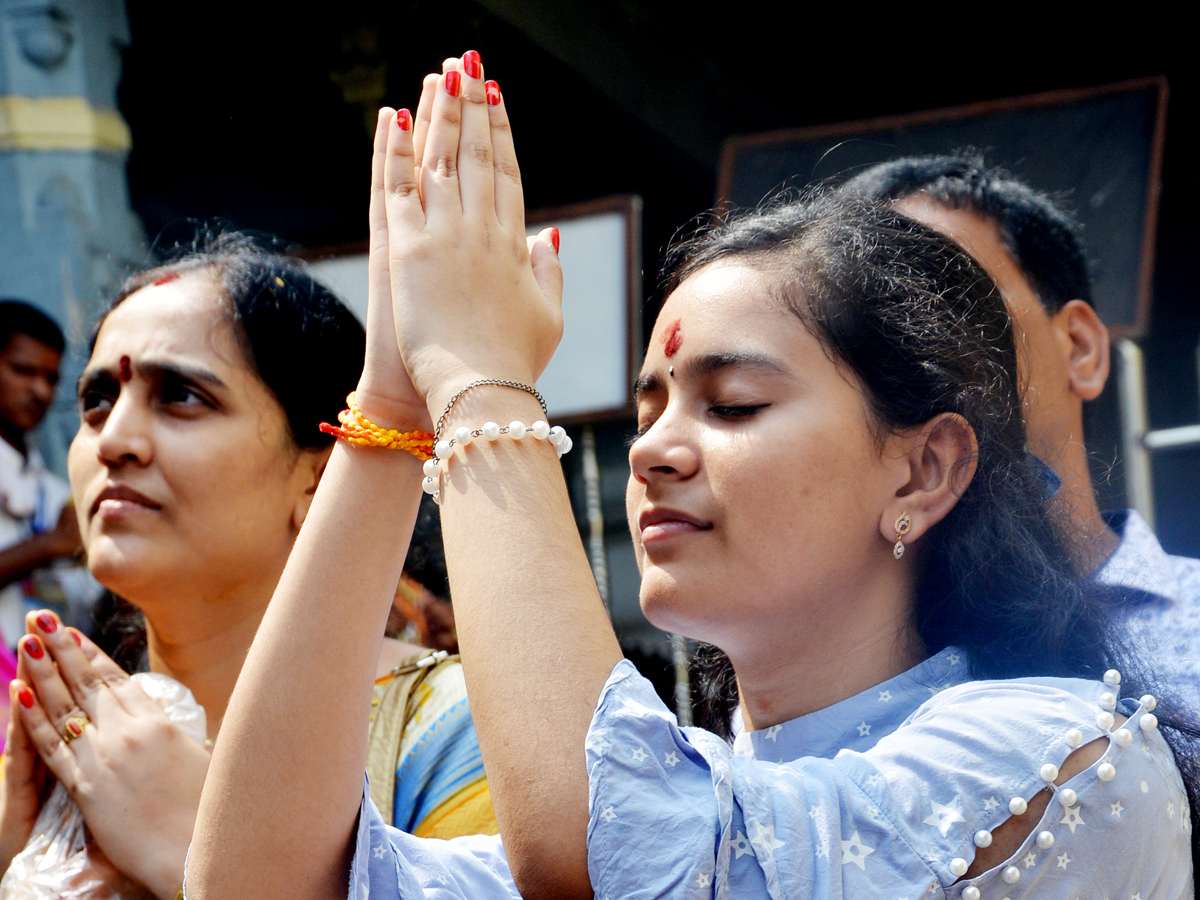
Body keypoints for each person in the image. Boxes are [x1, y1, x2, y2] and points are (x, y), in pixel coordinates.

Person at [189, 58, 1193, 899]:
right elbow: (255, 876)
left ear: (924, 470)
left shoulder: (1066, 756)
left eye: (734, 405)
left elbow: (592, 845)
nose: (655, 449)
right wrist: (394, 404)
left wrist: (484, 381)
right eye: (649, 408)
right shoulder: (697, 796)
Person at [0, 234, 496, 898]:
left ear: (319, 484)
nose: (111, 440)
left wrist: (205, 860)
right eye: (96, 402)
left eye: (179, 395)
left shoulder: (457, 733)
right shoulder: (64, 753)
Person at [844, 156, 1200, 690]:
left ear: (1080, 349)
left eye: (949, 301)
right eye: (866, 337)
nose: (904, 355)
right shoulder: (824, 664)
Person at [0, 301, 86, 649]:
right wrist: (48, 546)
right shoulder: (61, 528)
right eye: (23, 371)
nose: (41, 391)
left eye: (51, 378)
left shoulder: (56, 495)